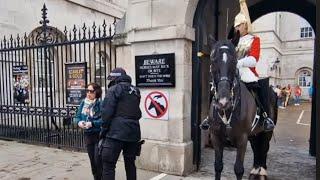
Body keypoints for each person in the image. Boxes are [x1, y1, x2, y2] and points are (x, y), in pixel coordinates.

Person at [233, 12, 275, 131]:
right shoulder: (232, 41)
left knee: (260, 89)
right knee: (218, 85)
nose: (236, 28)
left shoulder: (254, 39)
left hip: (247, 71)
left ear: (245, 25)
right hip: (233, 70)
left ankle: (265, 117)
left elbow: (254, 59)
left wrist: (239, 63)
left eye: (239, 25)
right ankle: (210, 118)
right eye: (235, 26)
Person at [100, 68, 142, 180]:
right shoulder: (136, 90)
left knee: (108, 165)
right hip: (133, 132)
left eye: (111, 79)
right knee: (130, 164)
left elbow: (106, 113)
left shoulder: (114, 89)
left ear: (115, 78)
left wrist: (103, 131)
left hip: (115, 134)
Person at [74, 83, 102, 180]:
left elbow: (104, 120)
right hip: (87, 135)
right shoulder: (83, 103)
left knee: (97, 160)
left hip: (98, 134)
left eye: (91, 91)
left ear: (96, 92)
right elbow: (76, 117)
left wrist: (92, 123)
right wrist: (79, 123)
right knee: (92, 161)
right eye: (87, 91)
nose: (88, 93)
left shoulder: (100, 103)